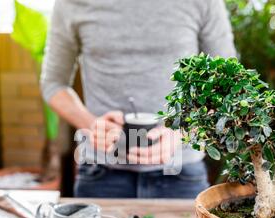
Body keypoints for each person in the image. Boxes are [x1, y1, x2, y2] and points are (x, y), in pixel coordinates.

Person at [41, 0, 237, 198]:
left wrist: (183, 132)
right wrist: (91, 124)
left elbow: (226, 83)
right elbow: (53, 84)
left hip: (181, 172)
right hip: (100, 174)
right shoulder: (70, 3)